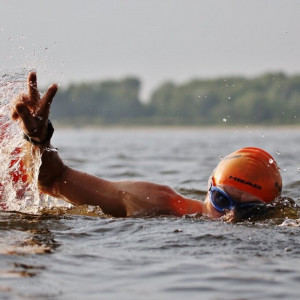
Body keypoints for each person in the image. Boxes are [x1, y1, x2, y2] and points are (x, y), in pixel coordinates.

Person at [11, 72, 282, 219]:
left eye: (251, 211)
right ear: (209, 187)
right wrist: (40, 140)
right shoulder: (158, 203)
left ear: (273, 210)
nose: (231, 218)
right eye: (222, 201)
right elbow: (56, 181)